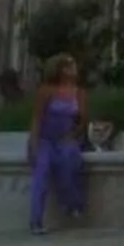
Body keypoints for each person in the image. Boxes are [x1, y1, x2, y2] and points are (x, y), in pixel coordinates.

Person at [27, 54, 91, 235]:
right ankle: (36, 221)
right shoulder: (46, 91)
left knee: (69, 162)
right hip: (44, 139)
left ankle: (72, 204)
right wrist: (33, 143)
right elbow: (37, 119)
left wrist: (73, 136)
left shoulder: (80, 93)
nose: (73, 69)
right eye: (68, 66)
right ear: (59, 69)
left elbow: (82, 121)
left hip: (66, 138)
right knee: (41, 173)